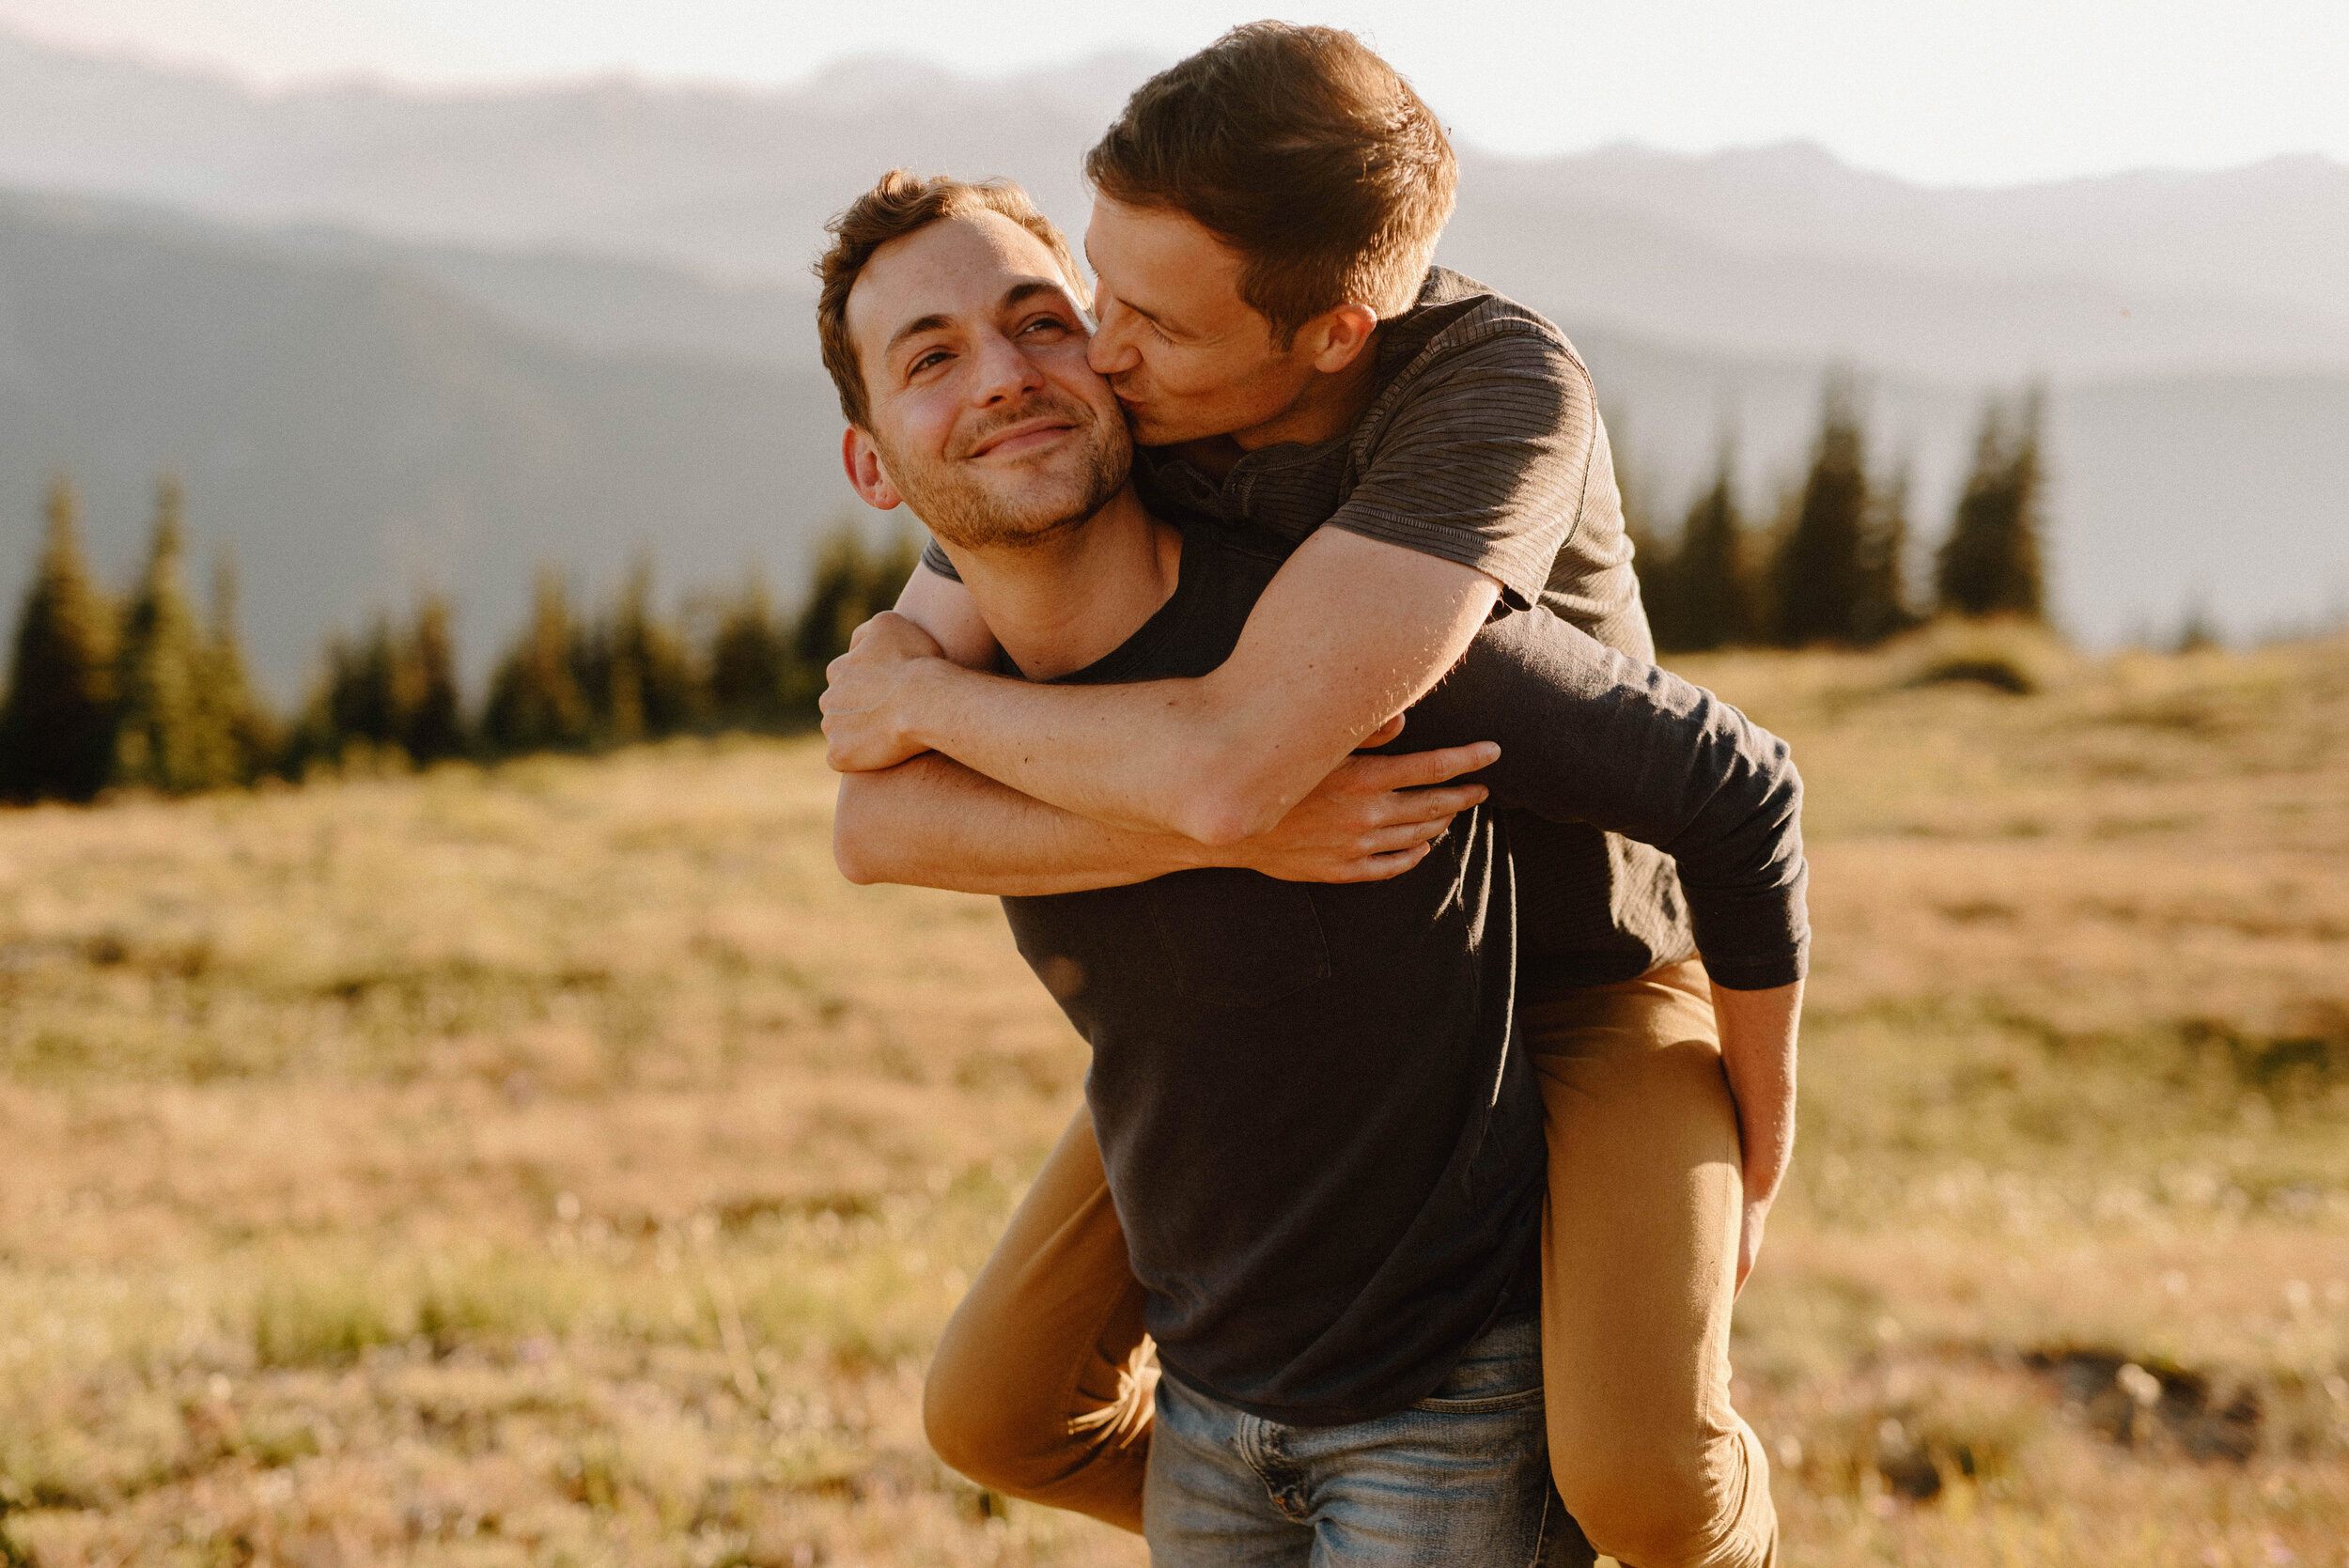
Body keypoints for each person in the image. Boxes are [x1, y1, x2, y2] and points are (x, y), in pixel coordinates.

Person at [821, 26, 1794, 1568]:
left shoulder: (1488, 396)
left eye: (1132, 318)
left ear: (1328, 335)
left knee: (1640, 1479)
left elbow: (1233, 773)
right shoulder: (1111, 410)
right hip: (1322, 996)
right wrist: (908, 675)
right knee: (998, 1402)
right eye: (1096, 292)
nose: (1096, 349)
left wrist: (1763, 1121)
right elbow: (878, 808)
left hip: (1588, 965)